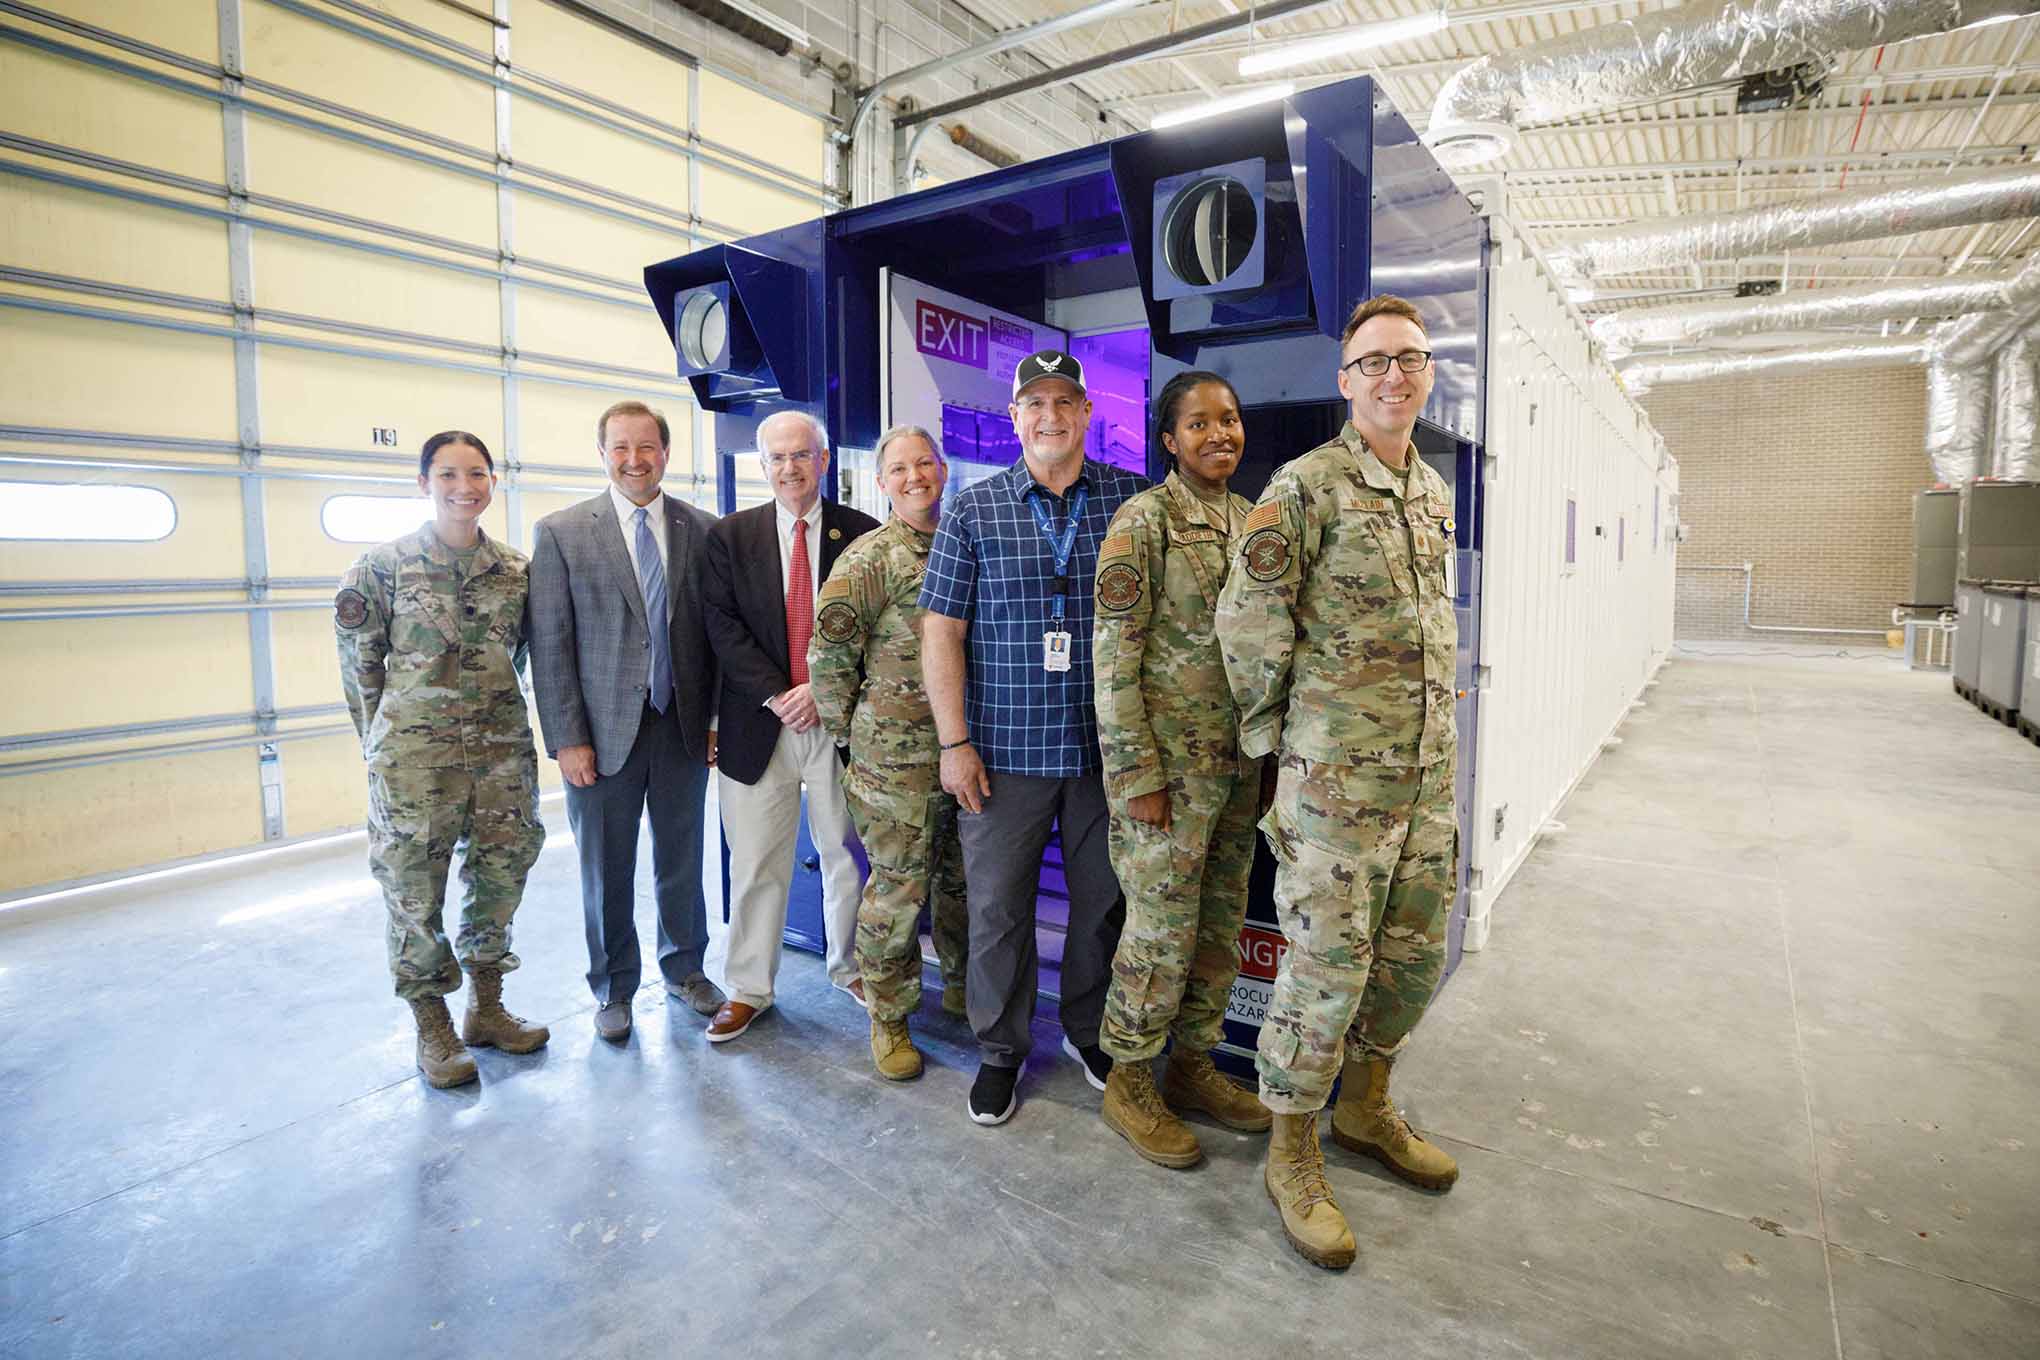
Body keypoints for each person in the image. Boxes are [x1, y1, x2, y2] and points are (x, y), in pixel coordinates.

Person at [1216, 295, 1462, 1271]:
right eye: (1373, 362)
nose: (1393, 374)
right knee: (1319, 978)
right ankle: (1293, 1151)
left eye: (1409, 358)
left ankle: (1366, 1110)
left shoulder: (1431, 491)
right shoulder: (1307, 486)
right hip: (1335, 792)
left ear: (1427, 372)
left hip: (1426, 785)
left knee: (1405, 966)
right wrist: (1285, 741)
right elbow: (1247, 622)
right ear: (1345, 381)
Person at [920, 349, 1146, 1126]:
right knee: (999, 913)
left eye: (1065, 402)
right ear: (1014, 418)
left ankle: (1088, 1031)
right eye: (1034, 404)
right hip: (1001, 756)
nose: (1050, 416)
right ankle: (1000, 1052)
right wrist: (953, 743)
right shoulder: (974, 511)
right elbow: (941, 632)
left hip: (1103, 754)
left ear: (1088, 415)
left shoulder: (1129, 501)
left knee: (1102, 907)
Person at [1090, 371, 1272, 1166]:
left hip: (1236, 773)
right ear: (1169, 439)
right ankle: (1131, 1079)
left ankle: (1192, 1065)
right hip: (1166, 780)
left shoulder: (1250, 521)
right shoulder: (1145, 522)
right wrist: (1138, 777)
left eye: (1229, 420)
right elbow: (1113, 662)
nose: (1219, 434)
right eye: (1199, 424)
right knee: (1159, 932)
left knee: (1219, 926)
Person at [336, 430, 549, 1088]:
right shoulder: (380, 569)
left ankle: (486, 1008)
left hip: (499, 754)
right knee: (411, 890)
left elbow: (518, 659)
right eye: (449, 474)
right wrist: (385, 744)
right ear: (423, 482)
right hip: (413, 762)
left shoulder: (516, 572)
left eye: (478, 473)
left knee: (500, 877)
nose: (465, 486)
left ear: (492, 482)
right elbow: (360, 671)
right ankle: (433, 1026)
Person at [528, 401, 723, 1045]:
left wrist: (715, 717)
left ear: (666, 453)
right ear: (602, 453)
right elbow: (550, 644)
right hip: (600, 734)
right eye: (620, 447)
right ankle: (613, 987)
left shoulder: (701, 529)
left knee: (681, 858)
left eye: (647, 447)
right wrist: (566, 739)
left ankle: (686, 968)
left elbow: (712, 637)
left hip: (680, 726)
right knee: (605, 867)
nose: (634, 459)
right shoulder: (562, 532)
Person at [700, 409, 880, 1043]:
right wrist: (782, 693)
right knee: (754, 861)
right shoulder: (729, 537)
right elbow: (721, 627)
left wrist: (822, 692)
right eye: (776, 458)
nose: (788, 468)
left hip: (840, 724)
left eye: (801, 455)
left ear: (824, 461)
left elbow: (875, 630)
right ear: (762, 466)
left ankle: (852, 967)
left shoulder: (863, 534)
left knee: (848, 854)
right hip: (759, 723)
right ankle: (748, 986)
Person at [807, 425, 970, 1081]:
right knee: (898, 892)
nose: (914, 477)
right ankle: (889, 1015)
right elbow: (829, 660)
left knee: (964, 883)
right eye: (899, 469)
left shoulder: (968, 546)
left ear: (943, 469)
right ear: (882, 482)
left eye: (924, 464)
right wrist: (854, 737)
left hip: (968, 749)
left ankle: (961, 988)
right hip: (892, 761)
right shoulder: (870, 559)